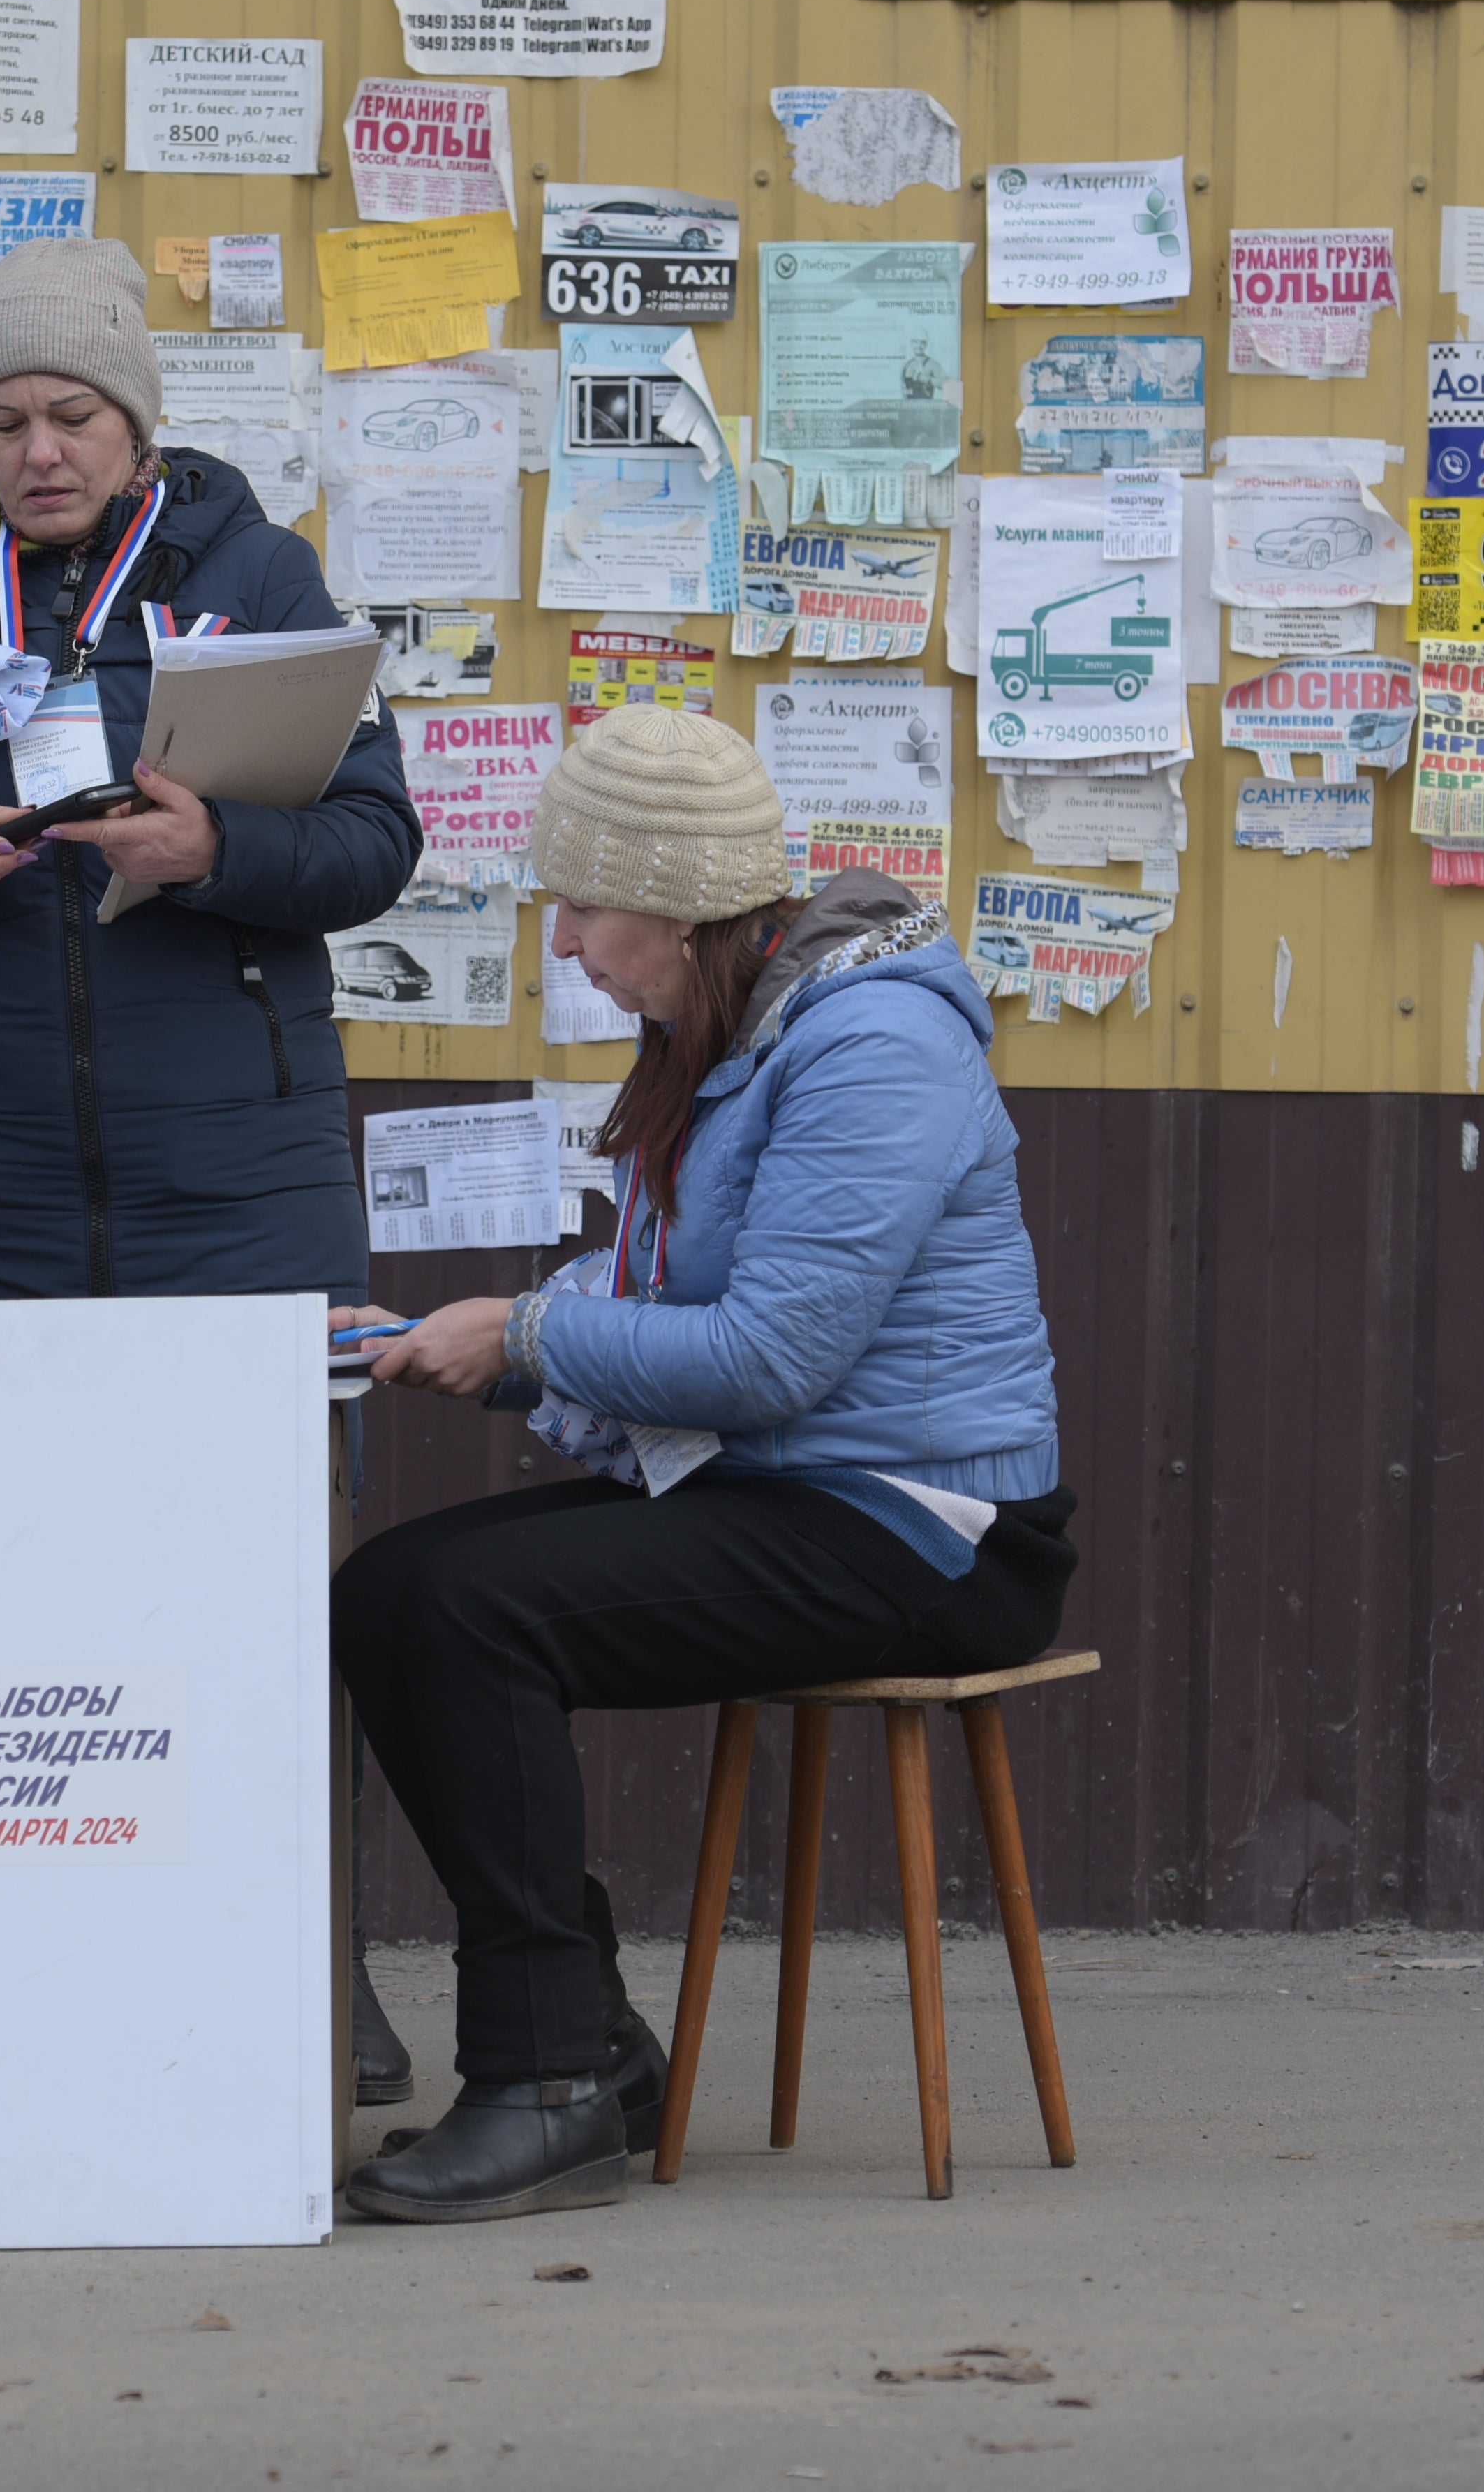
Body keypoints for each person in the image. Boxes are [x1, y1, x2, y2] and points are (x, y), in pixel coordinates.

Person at [0, 235, 433, 2099]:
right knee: (12, 1594)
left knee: (267, 1589)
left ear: (136, 421)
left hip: (238, 1173)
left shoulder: (256, 578)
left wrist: (213, 846)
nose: (39, 450)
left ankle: (319, 1982)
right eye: (4, 420)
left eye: (70, 413)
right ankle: (51, 1971)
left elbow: (376, 848)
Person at [329, 706, 1077, 2225]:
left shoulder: (871, 1044)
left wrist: (524, 1334)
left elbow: (762, 1360)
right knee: (397, 1589)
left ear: (675, 902)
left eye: (585, 905)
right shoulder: (730, 1029)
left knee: (466, 1609)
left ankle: (542, 2080)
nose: (568, 940)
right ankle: (586, 2048)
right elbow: (685, 1315)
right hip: (801, 1489)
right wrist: (439, 1337)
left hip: (933, 1531)